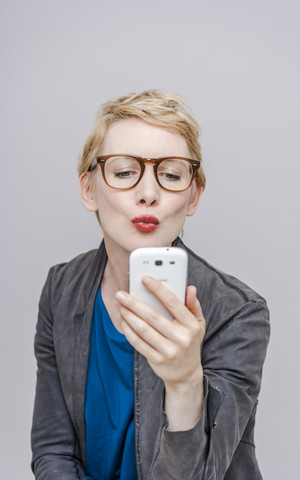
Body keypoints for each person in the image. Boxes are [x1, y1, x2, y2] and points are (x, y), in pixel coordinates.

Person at [31, 90, 270, 480]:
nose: (148, 193)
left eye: (172, 175)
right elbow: (53, 449)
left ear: (193, 195)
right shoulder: (61, 289)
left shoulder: (239, 314)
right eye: (124, 172)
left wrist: (184, 382)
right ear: (89, 189)